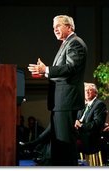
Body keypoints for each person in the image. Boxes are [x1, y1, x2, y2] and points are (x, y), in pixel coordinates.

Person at [27, 15, 87, 166]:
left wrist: (47, 69)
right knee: (59, 145)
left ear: (70, 27)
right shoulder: (67, 43)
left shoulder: (75, 43)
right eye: (53, 27)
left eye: (58, 26)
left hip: (66, 101)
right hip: (60, 102)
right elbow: (62, 71)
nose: (55, 30)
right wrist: (45, 71)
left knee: (65, 145)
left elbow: (71, 68)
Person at [75, 83, 107, 155]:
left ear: (95, 93)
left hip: (90, 137)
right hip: (79, 134)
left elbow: (97, 124)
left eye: (89, 90)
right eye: (85, 90)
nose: (86, 92)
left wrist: (81, 125)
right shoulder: (84, 105)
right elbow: (77, 118)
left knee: (68, 143)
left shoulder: (99, 104)